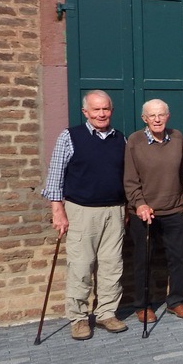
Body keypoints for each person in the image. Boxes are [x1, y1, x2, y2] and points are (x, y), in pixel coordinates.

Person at [42, 90, 128, 340]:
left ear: (111, 111)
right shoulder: (70, 136)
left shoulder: (120, 139)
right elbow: (56, 175)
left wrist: (126, 208)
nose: (101, 114)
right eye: (96, 109)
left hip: (114, 210)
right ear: (85, 112)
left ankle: (106, 313)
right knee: (80, 266)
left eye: (105, 109)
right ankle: (78, 318)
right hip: (81, 211)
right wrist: (57, 210)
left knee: (112, 265)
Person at [124, 99, 183, 323]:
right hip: (145, 212)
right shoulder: (134, 141)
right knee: (143, 260)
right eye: (152, 116)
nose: (157, 119)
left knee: (178, 258)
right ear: (144, 118)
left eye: (161, 115)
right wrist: (139, 203)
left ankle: (176, 301)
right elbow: (130, 179)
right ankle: (143, 305)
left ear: (168, 116)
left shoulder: (177, 137)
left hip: (174, 209)